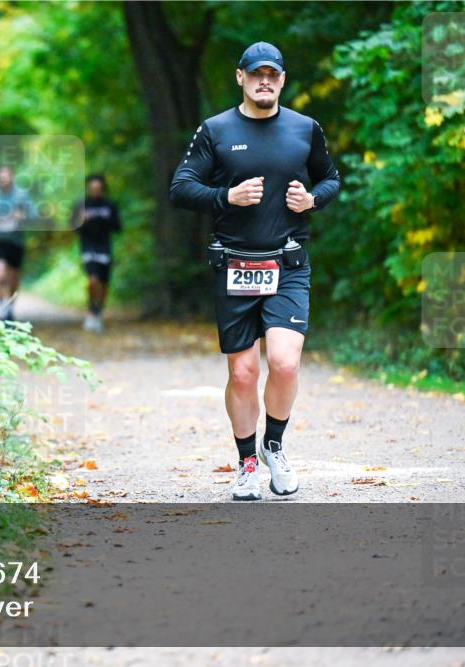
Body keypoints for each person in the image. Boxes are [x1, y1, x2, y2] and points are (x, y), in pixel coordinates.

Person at [168, 41, 340, 501]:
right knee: (243, 374)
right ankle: (246, 464)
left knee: (284, 363)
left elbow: (331, 178)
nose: (265, 80)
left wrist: (313, 199)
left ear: (282, 80)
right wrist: (226, 196)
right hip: (234, 265)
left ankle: (274, 447)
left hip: (287, 263)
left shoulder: (305, 129)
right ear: (240, 77)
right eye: (256, 73)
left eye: (274, 74)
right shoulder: (216, 130)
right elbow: (180, 188)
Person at [0, 165, 34, 321]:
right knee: (0, 276)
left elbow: (33, 214)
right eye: (0, 177)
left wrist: (22, 216)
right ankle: (1, 307)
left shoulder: (21, 196)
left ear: (12, 177)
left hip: (16, 242)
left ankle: (8, 306)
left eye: (5, 176)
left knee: (13, 278)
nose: (2, 179)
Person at [71, 174, 121, 332]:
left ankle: (98, 310)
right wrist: (81, 221)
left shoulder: (110, 205)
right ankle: (92, 310)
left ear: (103, 188)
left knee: (104, 283)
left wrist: (106, 220)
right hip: (87, 246)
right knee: (92, 280)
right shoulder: (81, 205)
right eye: (92, 188)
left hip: (104, 247)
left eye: (98, 188)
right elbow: (73, 227)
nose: (95, 191)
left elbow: (118, 227)